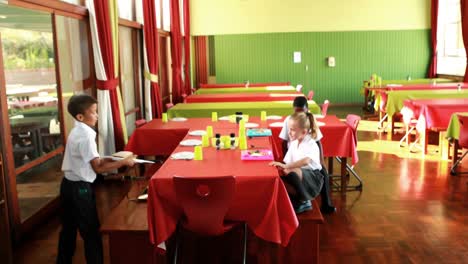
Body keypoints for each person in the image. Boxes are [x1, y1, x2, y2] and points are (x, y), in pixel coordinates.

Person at [57, 94, 135, 264]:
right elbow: (98, 167)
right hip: (80, 189)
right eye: (93, 112)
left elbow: (92, 160)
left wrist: (113, 159)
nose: (97, 115)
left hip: (67, 185)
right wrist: (124, 162)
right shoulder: (86, 136)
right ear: (80, 116)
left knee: (68, 230)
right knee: (91, 232)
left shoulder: (77, 130)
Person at [278, 96, 336, 214]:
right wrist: (286, 163)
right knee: (285, 176)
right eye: (297, 112)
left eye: (302, 111)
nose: (299, 114)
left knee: (323, 172)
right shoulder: (290, 120)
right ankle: (299, 200)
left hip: (307, 157)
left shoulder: (310, 120)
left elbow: (317, 141)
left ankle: (326, 204)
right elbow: (284, 142)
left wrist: (321, 161)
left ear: (307, 110)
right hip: (295, 154)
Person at [270, 112, 325, 213]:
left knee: (292, 171)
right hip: (303, 178)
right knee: (283, 173)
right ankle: (297, 200)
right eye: (289, 129)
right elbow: (286, 163)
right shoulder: (294, 143)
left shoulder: (310, 143)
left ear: (304, 132)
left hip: (314, 180)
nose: (289, 132)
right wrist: (279, 166)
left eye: (292, 130)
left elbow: (305, 161)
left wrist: (286, 166)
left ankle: (304, 200)